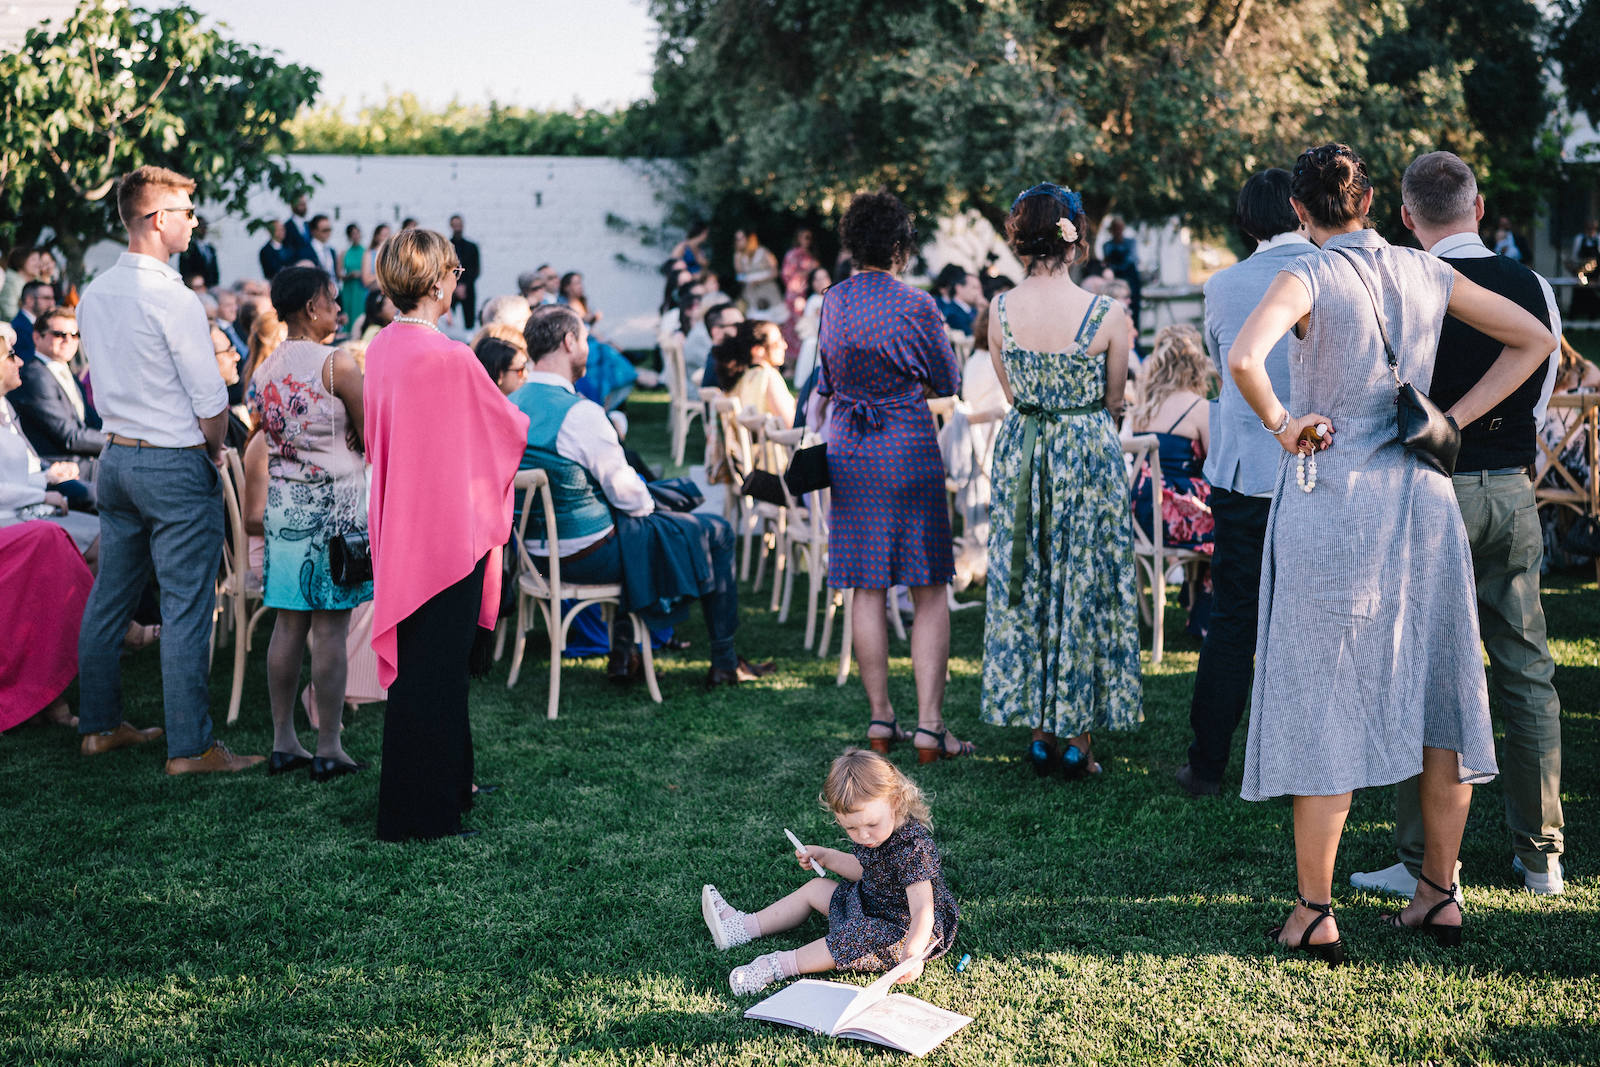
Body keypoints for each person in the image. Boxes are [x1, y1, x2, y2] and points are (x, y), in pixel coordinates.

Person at [1229, 143, 1555, 962]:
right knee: (1444, 692)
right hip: (1424, 500)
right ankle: (1439, 894)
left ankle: (1315, 909)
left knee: (1323, 699)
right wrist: (1448, 417)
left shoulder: (1305, 271)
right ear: (1370, 200)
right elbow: (1534, 339)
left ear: (1300, 212)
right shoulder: (1424, 272)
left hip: (1333, 505)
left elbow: (1242, 357)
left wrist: (1283, 423)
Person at [1348, 150, 1566, 898]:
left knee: (1422, 674)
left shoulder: (1401, 286)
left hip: (1422, 494)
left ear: (1407, 218)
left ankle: (1422, 862)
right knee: (1526, 667)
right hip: (1508, 489)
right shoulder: (1532, 285)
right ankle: (1542, 857)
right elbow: (1542, 393)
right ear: (1478, 208)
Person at [75, 165, 264, 774]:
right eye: (186, 211)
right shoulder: (174, 297)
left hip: (117, 459)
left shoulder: (97, 292)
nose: (193, 221)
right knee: (185, 607)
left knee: (110, 600)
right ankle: (192, 747)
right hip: (171, 462)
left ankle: (99, 728)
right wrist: (212, 450)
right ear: (158, 220)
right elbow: (211, 402)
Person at [365, 228, 529, 841]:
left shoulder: (382, 347)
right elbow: (507, 428)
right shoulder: (450, 356)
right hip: (443, 534)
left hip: (402, 523)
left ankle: (449, 787)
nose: (459, 279)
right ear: (436, 281)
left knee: (424, 669)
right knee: (436, 672)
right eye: (455, 270)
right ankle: (420, 814)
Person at [512, 304, 769, 687]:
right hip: (585, 554)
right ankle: (724, 661)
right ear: (569, 342)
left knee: (641, 525)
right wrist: (650, 503)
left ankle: (624, 656)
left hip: (532, 554)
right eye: (584, 339)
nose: (587, 347)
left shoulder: (509, 404)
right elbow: (630, 497)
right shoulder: (580, 414)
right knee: (714, 530)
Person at [979, 182, 1141, 778]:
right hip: (1085, 452)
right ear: (1074, 241)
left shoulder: (996, 310)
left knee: (1034, 580)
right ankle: (1077, 735)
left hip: (1024, 453)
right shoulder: (1108, 314)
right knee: (1081, 584)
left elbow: (1012, 392)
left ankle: (1041, 729)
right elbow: (1115, 399)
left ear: (1020, 242)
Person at [1175, 168, 1316, 798]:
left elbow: (1220, 360)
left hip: (1242, 475)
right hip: (1316, 466)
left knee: (1233, 616)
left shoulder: (1223, 285)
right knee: (1305, 616)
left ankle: (1207, 763)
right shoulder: (1331, 271)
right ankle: (1301, 764)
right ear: (1298, 209)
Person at [819, 192, 967, 761]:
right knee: (928, 586)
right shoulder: (918, 304)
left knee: (867, 585)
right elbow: (948, 379)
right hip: (905, 442)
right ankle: (930, 727)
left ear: (853, 244)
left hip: (851, 448)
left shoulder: (832, 302)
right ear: (902, 247)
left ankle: (881, 720)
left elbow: (827, 377)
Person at [701, 748, 958, 995]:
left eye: (871, 824)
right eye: (851, 829)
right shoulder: (875, 835)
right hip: (870, 902)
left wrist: (913, 952)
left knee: (856, 936)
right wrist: (826, 856)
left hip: (903, 928)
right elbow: (866, 872)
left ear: (896, 801)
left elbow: (923, 909)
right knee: (815, 888)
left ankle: (779, 965)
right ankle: (742, 928)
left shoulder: (913, 848)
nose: (863, 836)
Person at [249, 267, 372, 781]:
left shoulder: (264, 370)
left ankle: (283, 741)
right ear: (309, 308)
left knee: (287, 623)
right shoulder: (336, 364)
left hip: (284, 507)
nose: (339, 311)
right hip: (335, 512)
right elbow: (374, 434)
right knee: (331, 631)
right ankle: (328, 745)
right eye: (332, 301)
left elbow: (264, 432)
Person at [1126, 323, 1217, 633]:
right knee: (1230, 522)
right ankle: (1203, 610)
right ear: (1196, 365)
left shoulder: (1142, 409)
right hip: (1173, 516)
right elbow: (1215, 463)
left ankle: (1192, 596)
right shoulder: (1200, 409)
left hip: (1139, 513)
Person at [0, 334, 101, 551]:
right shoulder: (36, 375)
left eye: (76, 335)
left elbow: (14, 477)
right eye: (10, 356)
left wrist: (46, 477)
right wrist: (43, 493)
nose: (20, 361)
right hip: (10, 521)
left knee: (104, 535)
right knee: (102, 539)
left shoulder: (5, 406)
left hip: (25, 504)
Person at [13, 306, 105, 474]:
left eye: (75, 335)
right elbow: (69, 436)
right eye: (59, 334)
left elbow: (90, 420)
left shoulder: (65, 371)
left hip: (81, 460)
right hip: (56, 466)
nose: (68, 340)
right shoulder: (34, 375)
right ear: (37, 337)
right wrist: (115, 440)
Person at [713, 320, 796, 427]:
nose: (784, 345)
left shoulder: (740, 377)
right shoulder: (768, 376)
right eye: (777, 342)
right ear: (757, 350)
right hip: (773, 442)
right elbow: (790, 425)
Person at [1101, 217, 1143, 334]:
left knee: (1133, 308)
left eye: (1119, 228)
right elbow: (1107, 262)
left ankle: (1134, 334)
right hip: (1116, 282)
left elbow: (1132, 259)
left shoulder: (1131, 242)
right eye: (1115, 228)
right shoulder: (1107, 245)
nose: (1118, 231)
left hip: (1131, 279)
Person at [734, 229, 784, 318]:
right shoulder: (739, 256)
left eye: (742, 238)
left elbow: (775, 272)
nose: (739, 242)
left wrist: (760, 281)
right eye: (737, 239)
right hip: (752, 294)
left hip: (768, 291)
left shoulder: (763, 251)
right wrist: (737, 257)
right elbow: (740, 276)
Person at [449, 215, 481, 329]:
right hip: (451, 288)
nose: (457, 228)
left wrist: (464, 285)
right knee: (447, 317)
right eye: (455, 225)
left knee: (470, 318)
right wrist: (455, 285)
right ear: (451, 226)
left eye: (459, 225)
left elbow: (476, 269)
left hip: (468, 287)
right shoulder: (447, 247)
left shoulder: (472, 247)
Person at [11, 280, 55, 361]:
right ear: (29, 300)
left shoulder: (29, 324)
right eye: (46, 298)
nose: (52, 303)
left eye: (53, 298)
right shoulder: (18, 328)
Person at [177, 215, 220, 290]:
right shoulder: (188, 248)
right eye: (201, 226)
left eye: (205, 226)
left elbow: (214, 270)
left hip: (210, 287)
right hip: (195, 287)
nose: (204, 229)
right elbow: (184, 269)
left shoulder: (210, 248)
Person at [1570, 219, 1600, 320]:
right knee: (1579, 296)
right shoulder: (1579, 239)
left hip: (1595, 275)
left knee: (1593, 298)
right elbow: (1574, 257)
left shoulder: (1598, 239)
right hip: (1582, 273)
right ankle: (1573, 320)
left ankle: (1592, 320)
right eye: (1589, 228)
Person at [339, 223, 367, 328]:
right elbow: (339, 274)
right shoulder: (344, 253)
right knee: (349, 312)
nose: (356, 236)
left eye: (357, 233)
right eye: (353, 234)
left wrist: (361, 274)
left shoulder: (365, 252)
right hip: (349, 288)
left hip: (361, 288)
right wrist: (349, 276)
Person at [306, 215, 338, 279]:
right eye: (325, 230)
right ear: (314, 231)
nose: (328, 233)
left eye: (329, 229)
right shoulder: (305, 251)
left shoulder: (331, 251)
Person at [361, 224, 391, 290]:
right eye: (384, 235)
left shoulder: (392, 254)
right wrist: (385, 275)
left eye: (389, 235)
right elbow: (366, 280)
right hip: (375, 293)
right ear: (377, 237)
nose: (387, 238)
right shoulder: (369, 254)